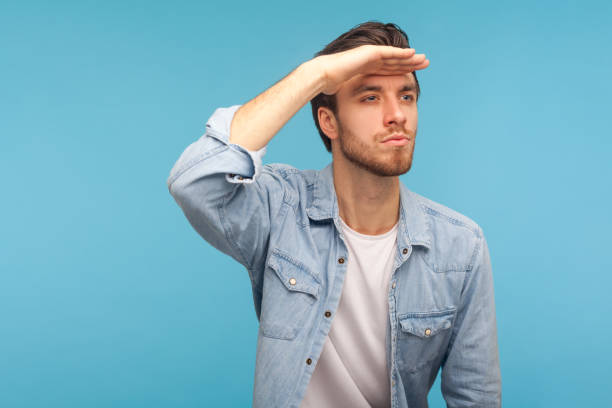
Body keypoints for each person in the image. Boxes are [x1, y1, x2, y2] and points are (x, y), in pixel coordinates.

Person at [167, 21, 501, 408]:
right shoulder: (282, 209)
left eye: (407, 97)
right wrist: (317, 73)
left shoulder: (461, 247)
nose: (397, 115)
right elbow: (194, 182)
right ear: (329, 121)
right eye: (371, 98)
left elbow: (476, 398)